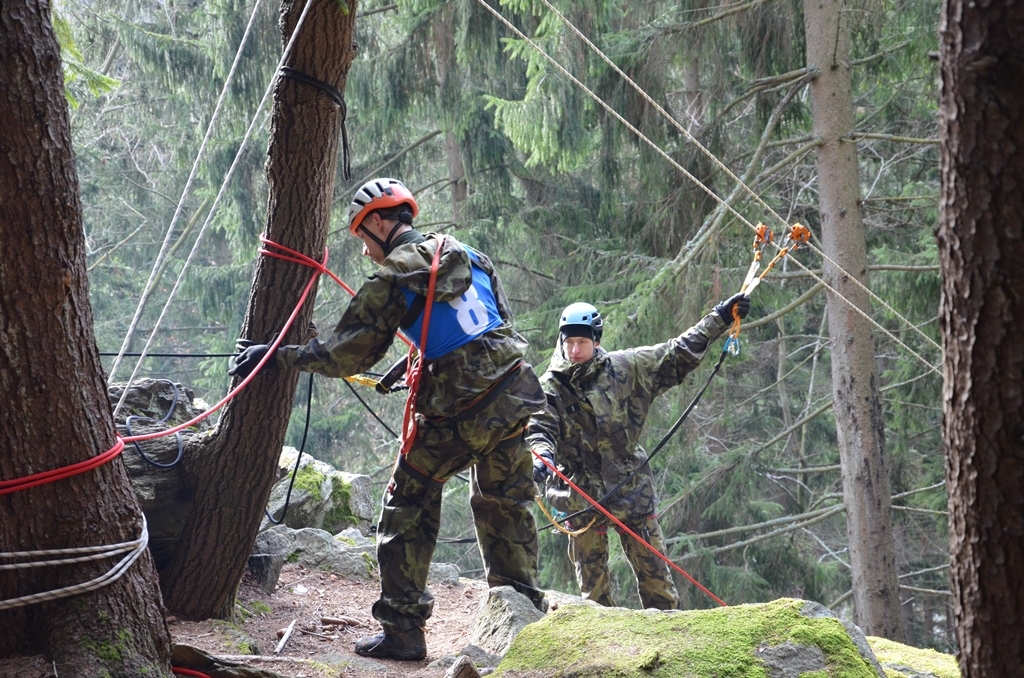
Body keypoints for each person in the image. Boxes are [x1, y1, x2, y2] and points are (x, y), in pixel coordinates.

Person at [229, 177, 548, 660]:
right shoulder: (465, 251)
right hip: (512, 391)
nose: (363, 251)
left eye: (362, 236)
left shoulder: (394, 275)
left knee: (407, 506)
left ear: (379, 222)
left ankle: (403, 630)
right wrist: (423, 355)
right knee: (505, 500)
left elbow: (343, 355)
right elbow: (490, 319)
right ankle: (520, 617)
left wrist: (276, 357)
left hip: (457, 409)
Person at [526, 294, 749, 610]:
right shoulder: (550, 386)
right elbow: (539, 428)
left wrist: (721, 317)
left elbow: (676, 353)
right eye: (569, 342)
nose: (574, 350)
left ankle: (669, 639)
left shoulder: (626, 367)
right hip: (579, 496)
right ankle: (604, 648)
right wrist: (542, 456)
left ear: (597, 341)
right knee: (594, 596)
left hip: (631, 488)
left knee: (657, 583)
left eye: (582, 342)